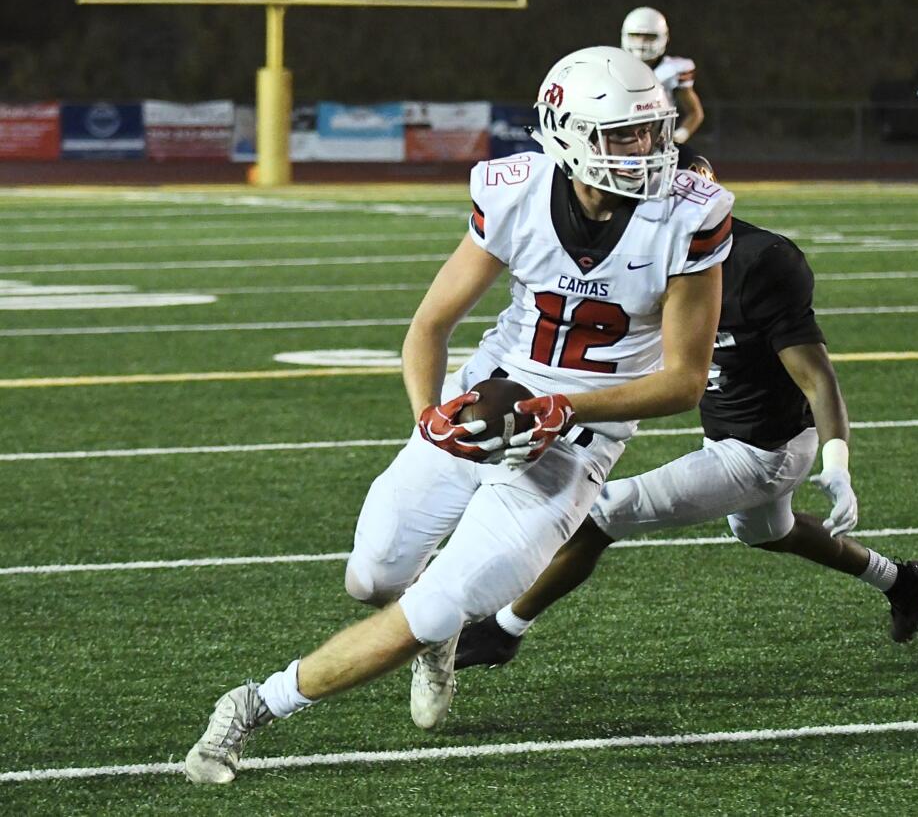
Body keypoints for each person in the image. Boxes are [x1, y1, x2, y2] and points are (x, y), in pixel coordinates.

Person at [184, 45, 735, 784]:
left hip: (578, 439)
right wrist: (428, 417)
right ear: (565, 131)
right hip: (487, 401)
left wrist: (562, 407)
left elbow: (684, 381)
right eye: (622, 135)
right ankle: (434, 642)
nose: (646, 150)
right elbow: (428, 327)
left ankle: (251, 707)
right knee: (372, 576)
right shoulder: (514, 190)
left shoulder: (687, 217)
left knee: (442, 604)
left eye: (651, 131)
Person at [450, 156, 918, 681]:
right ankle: (902, 581)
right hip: (728, 432)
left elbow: (815, 375)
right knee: (767, 532)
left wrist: (839, 461)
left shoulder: (761, 262)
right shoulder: (633, 256)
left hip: (767, 448)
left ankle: (504, 630)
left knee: (600, 516)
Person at [621, 6, 705, 159]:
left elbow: (695, 112)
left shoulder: (674, 69)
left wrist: (678, 137)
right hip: (621, 139)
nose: (642, 42)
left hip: (658, 142)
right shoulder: (615, 65)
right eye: (636, 35)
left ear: (663, 37)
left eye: (649, 37)